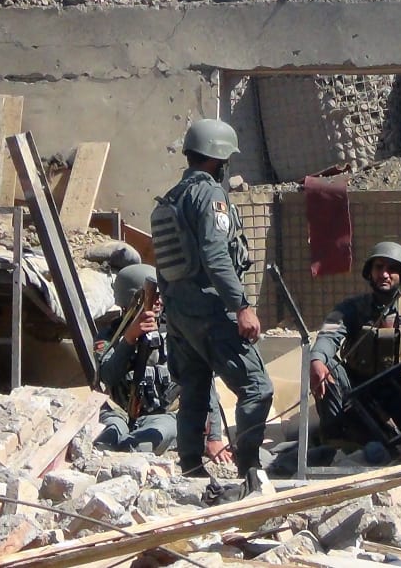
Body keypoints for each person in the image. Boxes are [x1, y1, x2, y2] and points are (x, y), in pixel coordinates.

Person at [151, 119, 274, 477]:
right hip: (211, 309)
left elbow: (164, 263)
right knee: (257, 388)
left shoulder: (170, 199)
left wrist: (172, 315)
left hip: (180, 314)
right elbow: (217, 255)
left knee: (194, 387)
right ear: (219, 159)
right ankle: (249, 466)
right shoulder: (209, 195)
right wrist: (242, 306)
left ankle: (190, 465)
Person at [309, 241, 401, 445]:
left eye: (392, 269)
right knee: (325, 367)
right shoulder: (352, 307)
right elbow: (329, 336)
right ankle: (336, 439)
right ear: (370, 272)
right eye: (379, 267)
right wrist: (317, 360)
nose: (384, 274)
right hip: (362, 394)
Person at [93, 263, 232, 464]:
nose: (158, 302)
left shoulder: (178, 333)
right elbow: (108, 375)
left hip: (162, 416)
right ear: (131, 299)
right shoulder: (109, 336)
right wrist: (129, 339)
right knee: (105, 442)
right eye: (152, 296)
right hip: (118, 412)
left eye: (160, 296)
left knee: (139, 446)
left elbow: (205, 385)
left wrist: (214, 437)